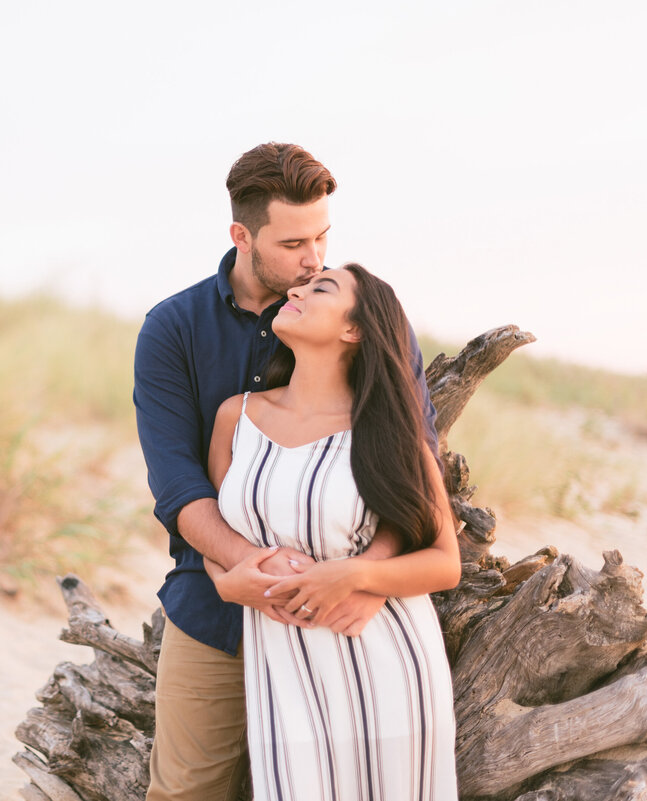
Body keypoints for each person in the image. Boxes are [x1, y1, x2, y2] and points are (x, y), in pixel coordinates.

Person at [133, 142, 438, 800]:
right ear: (242, 235)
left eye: (323, 237)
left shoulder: (362, 317)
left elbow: (416, 467)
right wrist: (242, 571)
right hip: (216, 607)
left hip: (350, 618)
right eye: (295, 242)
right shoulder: (173, 330)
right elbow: (180, 486)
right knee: (186, 791)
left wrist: (368, 577)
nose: (314, 259)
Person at [207, 263, 459, 800]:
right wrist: (225, 581)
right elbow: (217, 534)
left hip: (385, 666)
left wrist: (354, 576)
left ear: (355, 329)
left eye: (320, 287)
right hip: (282, 668)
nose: (294, 289)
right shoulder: (237, 417)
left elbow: (445, 561)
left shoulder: (388, 434)